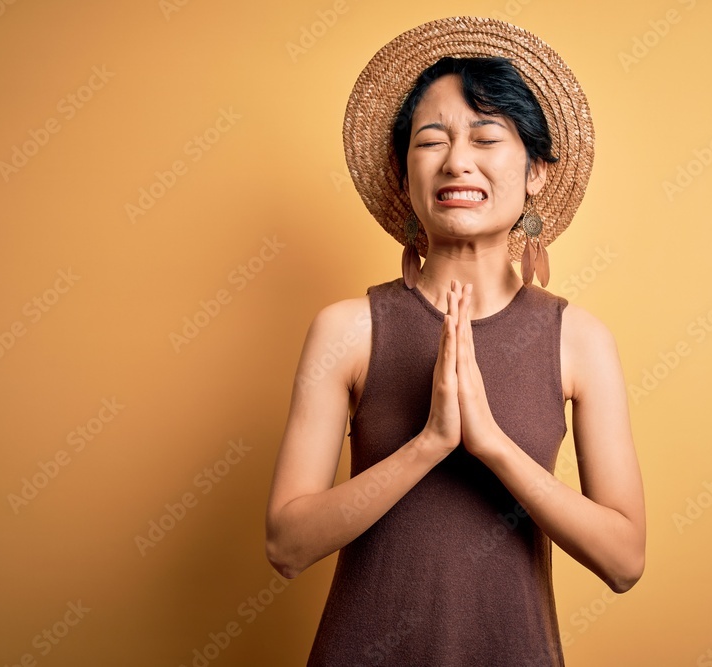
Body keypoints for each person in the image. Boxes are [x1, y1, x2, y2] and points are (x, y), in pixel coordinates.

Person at [265, 16, 645, 666]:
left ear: (536, 173)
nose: (457, 161)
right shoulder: (348, 329)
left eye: (487, 137)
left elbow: (624, 559)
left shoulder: (577, 340)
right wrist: (429, 444)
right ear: (404, 172)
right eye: (431, 140)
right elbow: (285, 544)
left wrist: (492, 445)